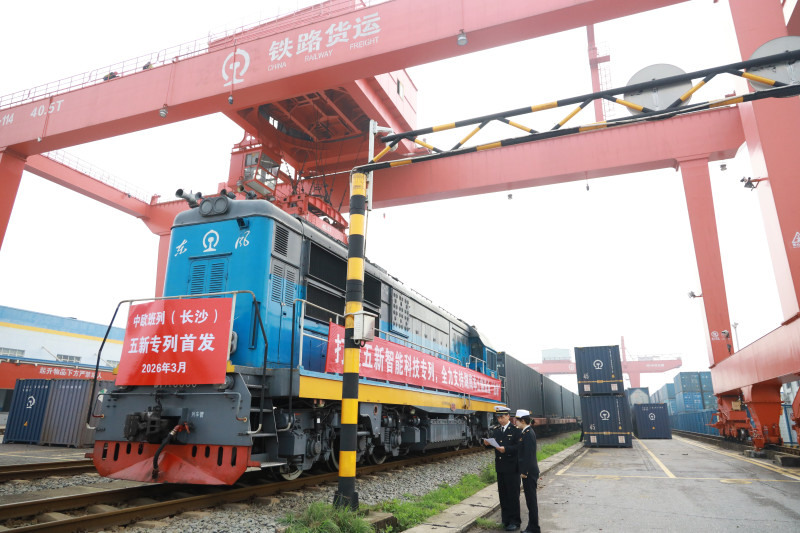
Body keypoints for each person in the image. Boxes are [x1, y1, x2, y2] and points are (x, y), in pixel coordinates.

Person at [484, 406, 522, 531]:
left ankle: (515, 521)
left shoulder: (515, 430)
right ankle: (506, 520)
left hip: (512, 468)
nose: (500, 419)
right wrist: (487, 444)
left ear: (508, 416)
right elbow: (494, 443)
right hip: (500, 467)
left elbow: (519, 447)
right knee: (503, 495)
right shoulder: (497, 430)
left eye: (502, 417)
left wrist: (506, 449)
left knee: (513, 495)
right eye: (498, 417)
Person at [514, 409, 541, 533]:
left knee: (531, 501)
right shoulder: (525, 432)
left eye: (517, 420)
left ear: (523, 421)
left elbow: (528, 455)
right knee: (530, 501)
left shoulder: (528, 434)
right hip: (528, 471)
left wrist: (525, 472)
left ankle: (534, 528)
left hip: (529, 472)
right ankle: (532, 526)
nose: (516, 422)